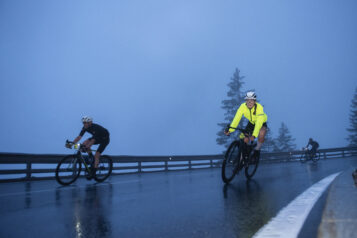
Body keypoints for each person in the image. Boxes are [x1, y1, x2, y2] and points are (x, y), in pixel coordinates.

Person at [224, 91, 268, 159]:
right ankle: (244, 157)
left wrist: (254, 135)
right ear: (246, 101)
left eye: (251, 100)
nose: (249, 102)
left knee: (262, 133)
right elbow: (236, 119)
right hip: (251, 123)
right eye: (248, 100)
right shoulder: (242, 107)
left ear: (255, 101)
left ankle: (257, 149)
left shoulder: (259, 107)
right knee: (245, 139)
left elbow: (259, 122)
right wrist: (230, 130)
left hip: (261, 123)